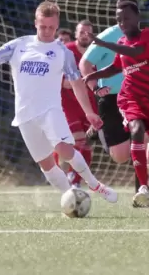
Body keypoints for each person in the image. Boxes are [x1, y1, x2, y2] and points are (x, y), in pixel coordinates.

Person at [0, 1, 117, 203]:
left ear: (57, 25)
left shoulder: (63, 52)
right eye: (43, 26)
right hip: (25, 116)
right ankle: (72, 198)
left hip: (50, 110)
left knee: (63, 148)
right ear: (36, 23)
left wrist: (88, 111)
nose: (47, 31)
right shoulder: (20, 45)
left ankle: (95, 185)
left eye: (52, 27)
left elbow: (77, 83)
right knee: (47, 165)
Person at [83, 0, 149, 207]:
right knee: (136, 129)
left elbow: (135, 53)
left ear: (137, 18)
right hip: (131, 97)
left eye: (127, 18)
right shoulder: (120, 42)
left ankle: (148, 166)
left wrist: (102, 43)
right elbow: (117, 66)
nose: (123, 23)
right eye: (119, 20)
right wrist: (93, 77)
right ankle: (143, 188)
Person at [55, 20, 98, 188]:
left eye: (88, 32)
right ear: (76, 34)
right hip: (68, 104)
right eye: (82, 32)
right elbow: (53, 71)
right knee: (78, 139)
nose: (85, 35)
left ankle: (76, 182)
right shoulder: (66, 50)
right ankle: (68, 174)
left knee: (87, 143)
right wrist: (62, 81)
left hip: (89, 104)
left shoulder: (98, 52)